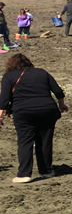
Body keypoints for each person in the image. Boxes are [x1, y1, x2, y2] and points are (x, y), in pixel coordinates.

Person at [0, 53, 68, 183]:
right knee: (44, 141)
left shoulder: (8, 76)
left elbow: (4, 100)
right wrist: (62, 105)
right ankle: (46, 171)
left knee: (25, 141)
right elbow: (58, 91)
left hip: (23, 112)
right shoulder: (41, 72)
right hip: (47, 110)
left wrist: (0, 116)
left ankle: (24, 174)